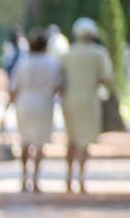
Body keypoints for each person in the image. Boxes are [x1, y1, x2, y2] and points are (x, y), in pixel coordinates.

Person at [60, 17, 114, 194]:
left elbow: (60, 78)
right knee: (84, 142)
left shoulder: (68, 53)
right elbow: (106, 78)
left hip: (70, 100)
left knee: (72, 139)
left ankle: (68, 178)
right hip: (90, 100)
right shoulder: (99, 53)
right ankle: (81, 179)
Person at [9, 30, 61, 193]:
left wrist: (10, 103)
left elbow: (13, 87)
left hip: (24, 104)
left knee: (25, 142)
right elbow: (58, 86)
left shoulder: (23, 63)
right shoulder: (52, 63)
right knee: (40, 144)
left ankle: (24, 178)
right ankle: (36, 180)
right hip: (44, 105)